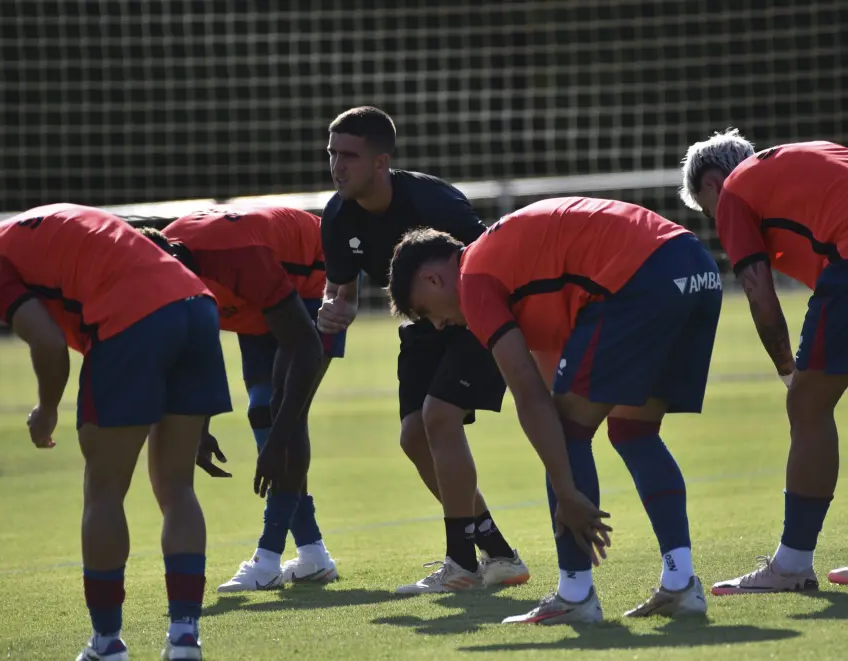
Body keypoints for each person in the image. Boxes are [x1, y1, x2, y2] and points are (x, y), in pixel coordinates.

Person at [387, 196, 719, 624]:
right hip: (695, 265)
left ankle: (575, 593)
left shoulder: (473, 279)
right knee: (634, 432)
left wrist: (566, 491)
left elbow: (529, 395)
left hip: (642, 275)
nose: (438, 324)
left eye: (427, 313)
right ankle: (680, 583)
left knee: (566, 433)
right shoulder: (519, 267)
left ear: (434, 280)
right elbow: (547, 385)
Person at [0, 198, 233, 661]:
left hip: (132, 320)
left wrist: (47, 408)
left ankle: (107, 643)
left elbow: (49, 341)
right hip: (196, 307)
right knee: (176, 487)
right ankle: (183, 638)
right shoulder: (23, 228)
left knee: (104, 491)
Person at [680, 130, 848, 594]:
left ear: (713, 184)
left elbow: (760, 296)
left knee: (808, 406)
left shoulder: (734, 191)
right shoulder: (808, 159)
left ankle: (792, 564)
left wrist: (788, 375)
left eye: (709, 213)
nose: (720, 223)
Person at [316, 106, 529, 593]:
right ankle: (496, 552)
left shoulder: (434, 201)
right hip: (420, 329)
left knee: (438, 417)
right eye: (331, 154)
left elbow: (488, 264)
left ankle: (460, 563)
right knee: (414, 437)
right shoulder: (337, 216)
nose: (336, 165)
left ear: (380, 161)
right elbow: (340, 293)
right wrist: (334, 310)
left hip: (474, 316)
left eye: (348, 155)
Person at [140, 203, 344, 591]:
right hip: (260, 299)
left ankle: (267, 559)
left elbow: (304, 347)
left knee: (283, 411)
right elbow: (196, 345)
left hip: (313, 280)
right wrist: (200, 425)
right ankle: (313, 555)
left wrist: (278, 442)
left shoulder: (238, 261)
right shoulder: (163, 267)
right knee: (262, 413)